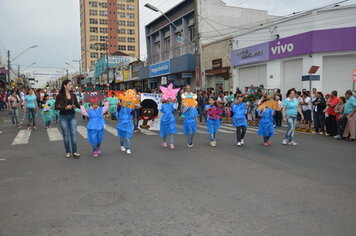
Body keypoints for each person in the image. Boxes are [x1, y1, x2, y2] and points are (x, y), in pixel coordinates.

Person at [55, 80, 81, 158]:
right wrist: (65, 107)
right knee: (66, 135)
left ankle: (75, 151)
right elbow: (56, 107)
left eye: (71, 85)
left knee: (73, 133)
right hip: (63, 117)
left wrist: (84, 109)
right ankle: (68, 151)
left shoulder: (73, 95)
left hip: (72, 116)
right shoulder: (59, 96)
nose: (71, 86)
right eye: (69, 85)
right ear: (65, 86)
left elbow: (77, 104)